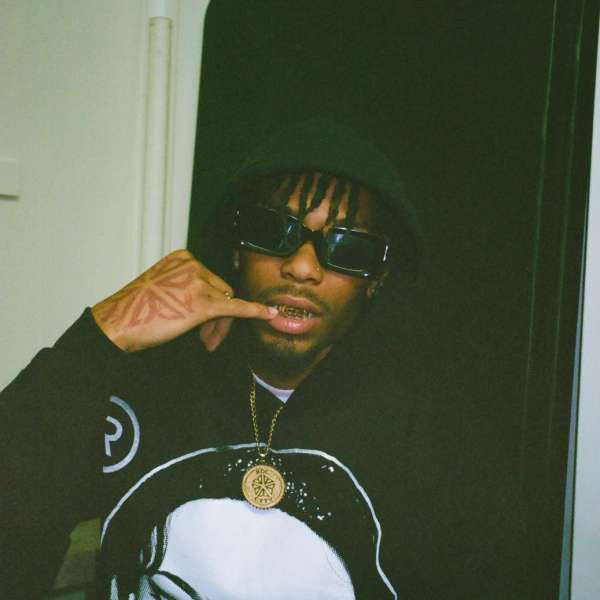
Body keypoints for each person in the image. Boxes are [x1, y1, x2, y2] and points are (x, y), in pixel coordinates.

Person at [1, 119, 530, 599]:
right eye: (274, 230)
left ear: (376, 280)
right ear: (237, 248)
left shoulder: (435, 436)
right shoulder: (145, 386)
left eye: (348, 247)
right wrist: (100, 338)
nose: (302, 267)